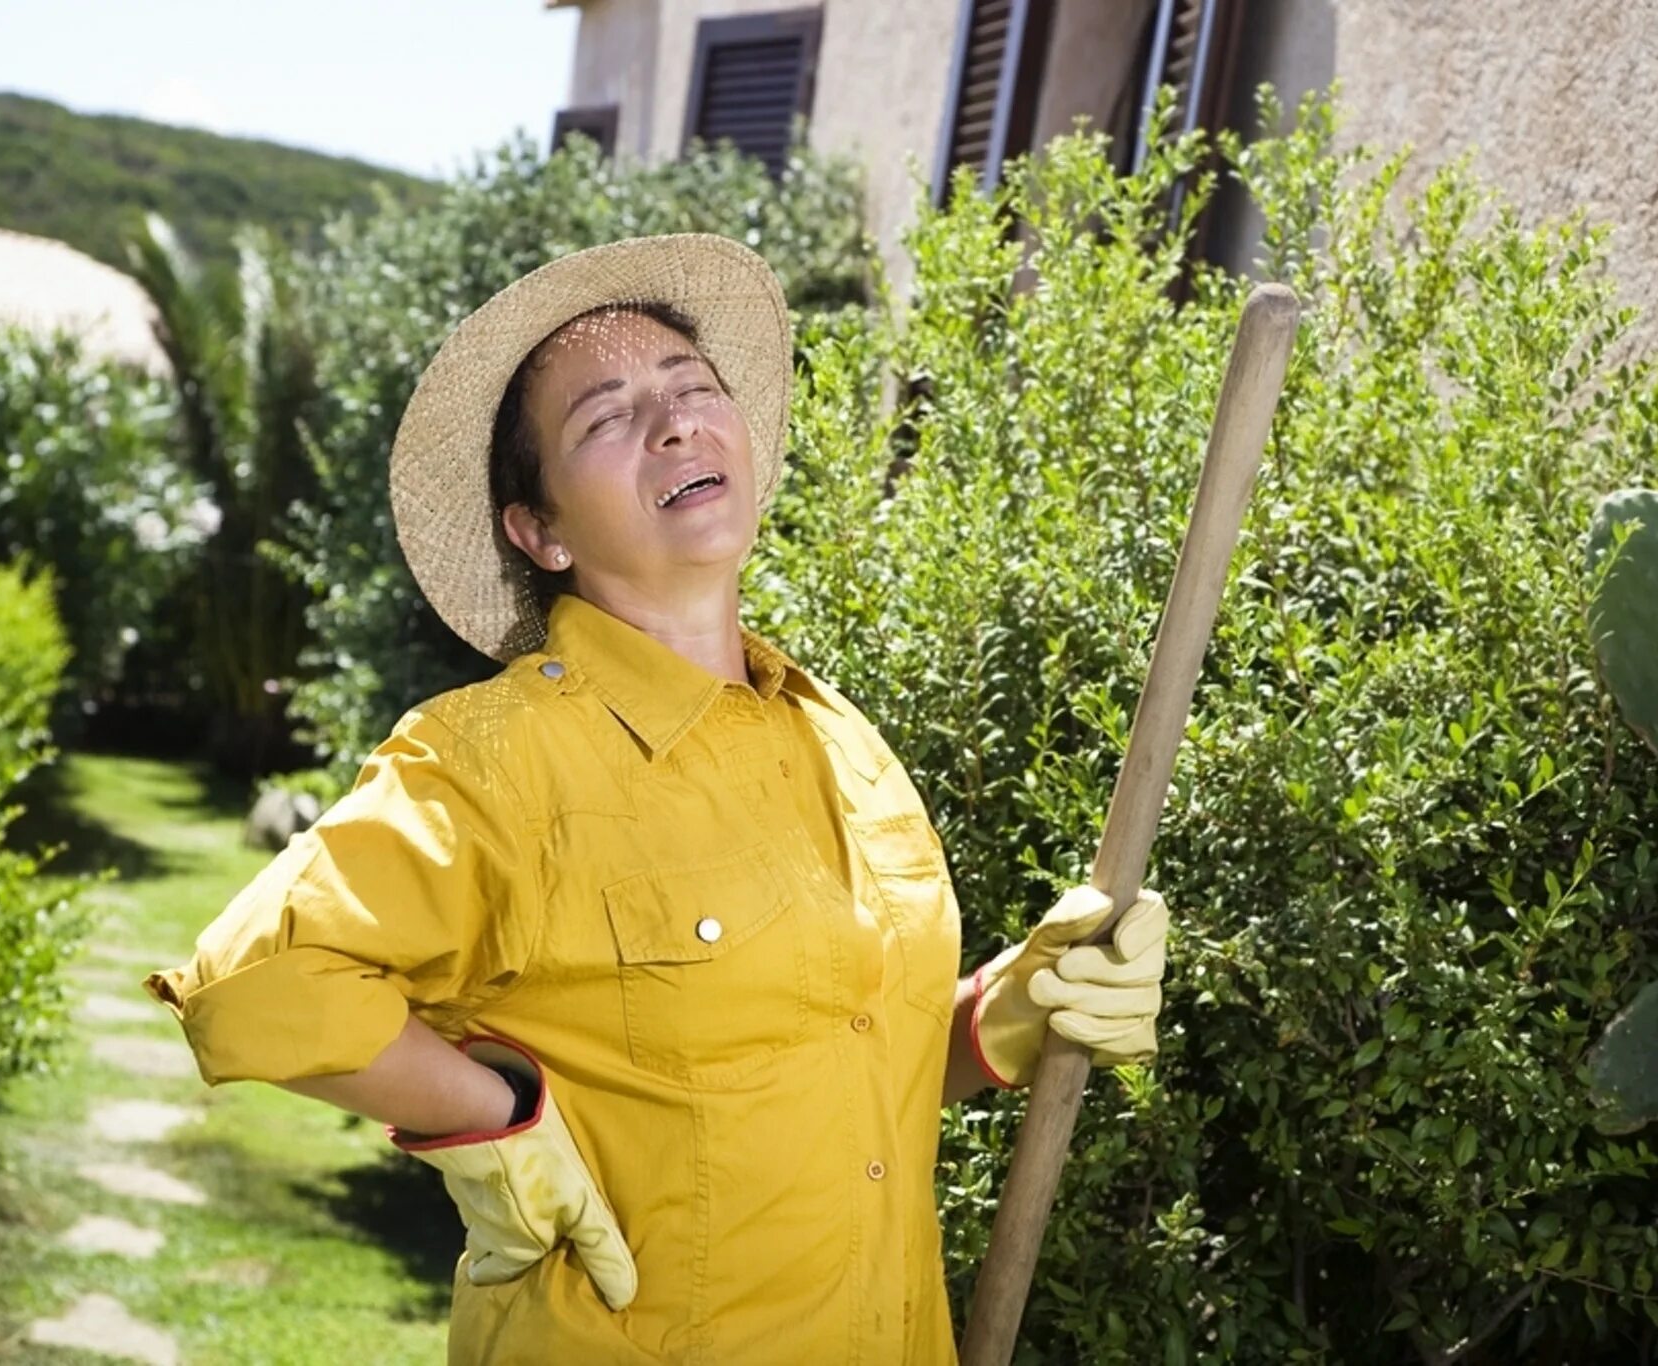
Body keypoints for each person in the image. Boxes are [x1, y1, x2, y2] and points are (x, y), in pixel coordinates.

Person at [145, 233, 1169, 1365]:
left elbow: (829, 1061)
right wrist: (494, 1115)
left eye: (691, 389)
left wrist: (1003, 1014)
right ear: (537, 532)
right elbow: (251, 989)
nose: (673, 422)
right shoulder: (494, 759)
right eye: (604, 417)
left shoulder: (837, 737)